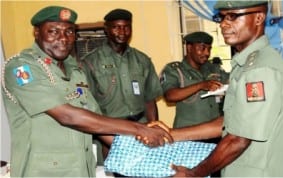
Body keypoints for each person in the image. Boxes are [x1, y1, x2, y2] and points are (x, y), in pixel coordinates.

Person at [1, 6, 172, 177]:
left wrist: (146, 154)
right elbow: (68, 116)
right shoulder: (21, 67)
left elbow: (98, 123)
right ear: (37, 32)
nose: (63, 38)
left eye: (69, 32)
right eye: (53, 31)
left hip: (81, 170)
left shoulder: (75, 70)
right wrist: (139, 129)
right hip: (43, 172)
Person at [168, 0, 283, 177]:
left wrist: (194, 174)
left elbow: (238, 139)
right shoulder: (245, 64)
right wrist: (170, 134)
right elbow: (232, 122)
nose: (223, 24)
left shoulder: (260, 69)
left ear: (259, 18)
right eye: (221, 17)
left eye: (233, 16)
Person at [81, 8, 163, 165]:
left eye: (126, 26)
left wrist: (153, 129)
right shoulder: (90, 62)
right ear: (106, 29)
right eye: (116, 27)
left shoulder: (142, 60)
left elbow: (149, 99)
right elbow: (87, 106)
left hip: (141, 129)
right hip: (109, 133)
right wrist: (104, 137)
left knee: (144, 171)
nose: (122, 31)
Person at [160, 31, 228, 132]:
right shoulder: (175, 70)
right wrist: (201, 85)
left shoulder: (214, 69)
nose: (207, 53)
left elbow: (232, 81)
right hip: (188, 133)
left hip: (215, 131)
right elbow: (170, 96)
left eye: (209, 49)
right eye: (202, 48)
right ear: (189, 48)